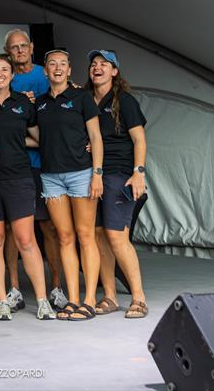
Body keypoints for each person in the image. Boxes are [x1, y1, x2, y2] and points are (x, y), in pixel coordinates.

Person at [0, 54, 56, 322]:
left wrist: (15, 143)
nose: (0, 74)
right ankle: (1, 301)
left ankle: (43, 301)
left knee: (26, 240)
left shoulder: (23, 103)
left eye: (4, 70)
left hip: (19, 178)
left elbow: (38, 138)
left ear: (13, 75)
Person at [35, 49, 104, 321]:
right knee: (64, 237)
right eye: (52, 64)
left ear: (69, 69)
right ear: (45, 71)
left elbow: (96, 137)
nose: (57, 68)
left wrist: (97, 173)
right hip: (51, 177)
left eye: (63, 63)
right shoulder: (39, 103)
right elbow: (35, 136)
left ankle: (88, 300)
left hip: (81, 174)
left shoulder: (81, 97)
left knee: (85, 235)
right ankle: (72, 299)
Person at [2, 28, 67, 312]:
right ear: (8, 52)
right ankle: (14, 289)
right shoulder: (4, 77)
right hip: (14, 167)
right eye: (13, 47)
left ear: (31, 47)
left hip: (45, 165)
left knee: (49, 227)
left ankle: (56, 287)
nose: (19, 51)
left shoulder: (45, 74)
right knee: (10, 231)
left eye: (23, 46)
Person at [85, 50, 148, 319]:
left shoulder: (125, 101)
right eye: (94, 64)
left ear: (114, 72)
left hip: (119, 174)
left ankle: (139, 298)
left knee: (117, 237)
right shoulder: (86, 100)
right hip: (92, 175)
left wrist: (139, 173)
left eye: (104, 64)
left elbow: (140, 140)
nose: (97, 68)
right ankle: (109, 296)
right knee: (99, 236)